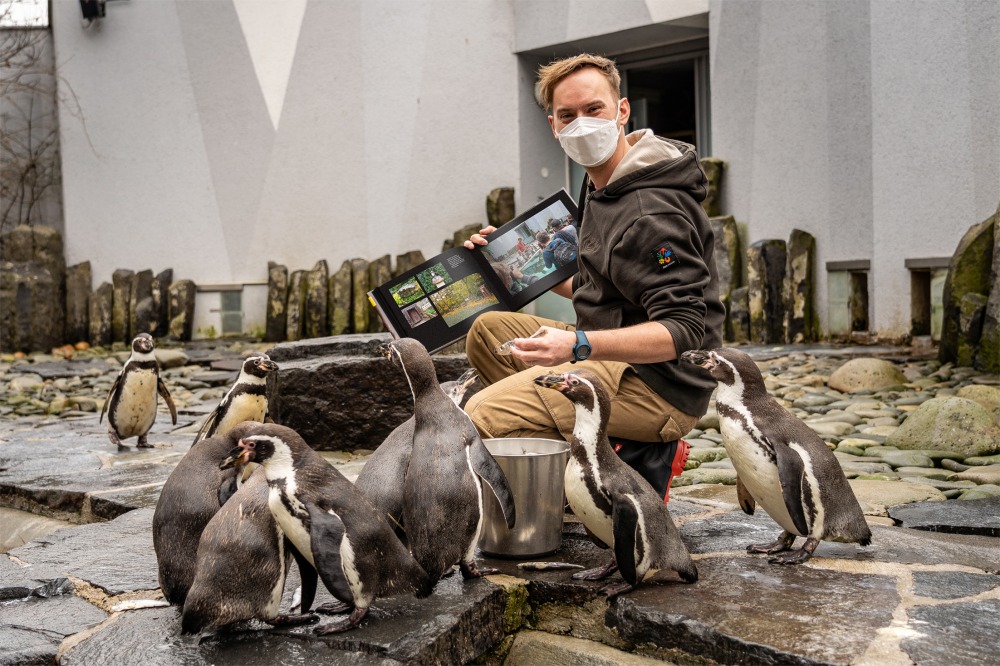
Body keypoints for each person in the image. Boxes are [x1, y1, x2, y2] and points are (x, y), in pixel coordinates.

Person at [462, 53, 725, 502]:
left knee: (482, 411)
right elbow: (595, 287)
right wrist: (502, 266)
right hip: (613, 354)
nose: (581, 124)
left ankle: (639, 452)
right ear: (554, 125)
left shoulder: (650, 212)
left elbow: (685, 330)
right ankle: (591, 459)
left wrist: (578, 347)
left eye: (594, 109)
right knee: (489, 332)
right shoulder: (604, 187)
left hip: (662, 387)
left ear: (622, 111)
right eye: (568, 115)